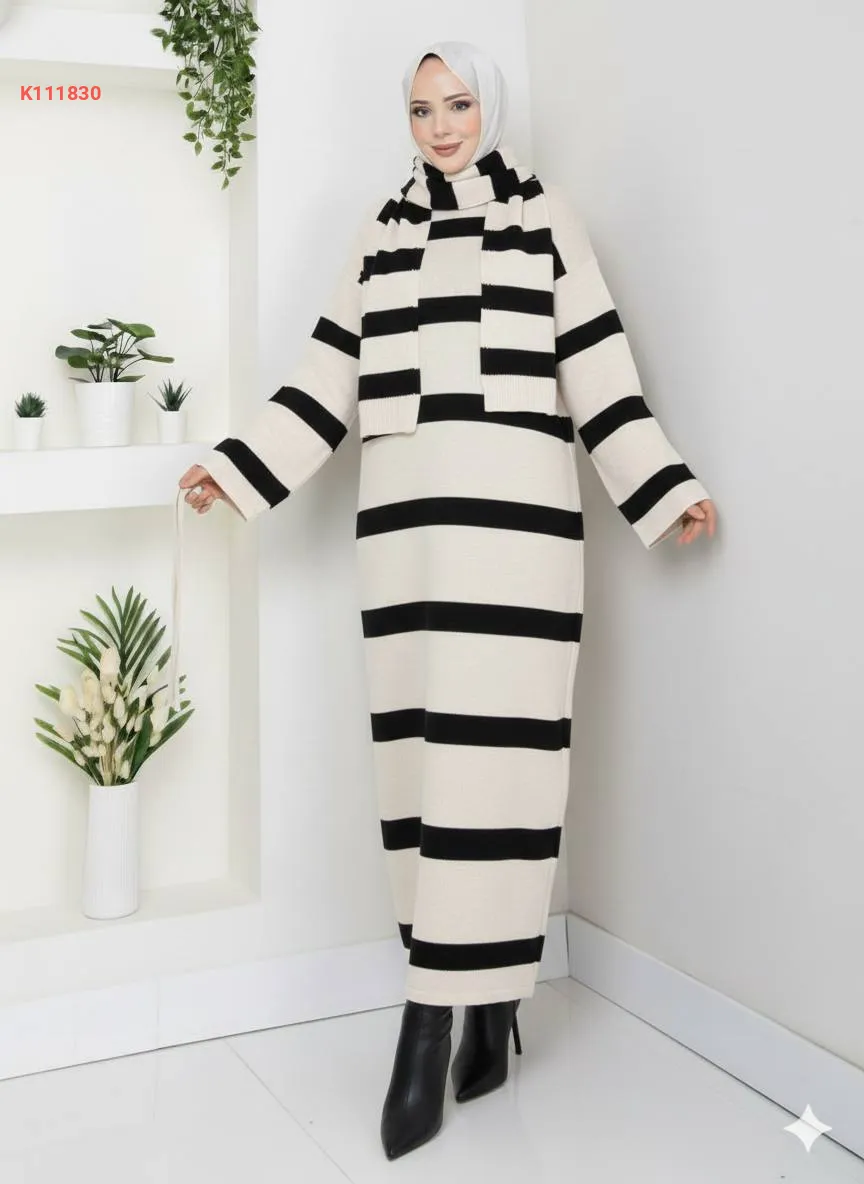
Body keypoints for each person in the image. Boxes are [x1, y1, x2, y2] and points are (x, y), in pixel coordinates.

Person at [178, 38, 717, 1160]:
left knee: (501, 769)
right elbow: (325, 376)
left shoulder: (548, 220)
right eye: (422, 109)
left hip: (519, 538)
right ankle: (475, 1004)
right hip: (406, 543)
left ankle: (440, 1016)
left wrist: (665, 488)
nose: (440, 127)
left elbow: (599, 369)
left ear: (490, 107)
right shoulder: (381, 235)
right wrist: (237, 468)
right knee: (423, 770)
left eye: (458, 104)